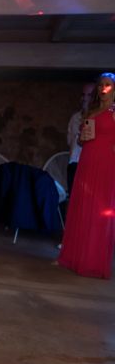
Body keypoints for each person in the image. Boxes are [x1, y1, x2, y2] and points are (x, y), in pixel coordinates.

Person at [59, 72, 115, 279]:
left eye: (108, 85)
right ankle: (76, 257)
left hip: (106, 162)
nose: (103, 88)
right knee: (83, 206)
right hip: (87, 159)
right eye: (101, 85)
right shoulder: (92, 111)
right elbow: (82, 142)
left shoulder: (114, 109)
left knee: (99, 210)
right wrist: (83, 137)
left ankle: (93, 261)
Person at [66, 82, 95, 195]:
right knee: (74, 198)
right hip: (73, 164)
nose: (84, 98)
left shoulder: (98, 118)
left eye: (89, 95)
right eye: (83, 95)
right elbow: (70, 141)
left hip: (90, 166)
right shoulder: (74, 118)